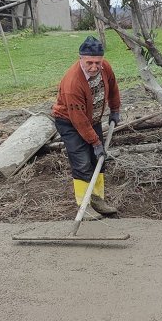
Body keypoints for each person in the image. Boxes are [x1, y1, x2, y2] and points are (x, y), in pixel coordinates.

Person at [52, 36, 121, 221]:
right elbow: (78, 120)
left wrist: (115, 109)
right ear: (80, 58)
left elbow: (113, 88)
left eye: (97, 62)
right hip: (69, 122)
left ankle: (98, 200)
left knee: (98, 158)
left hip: (92, 118)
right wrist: (95, 142)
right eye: (89, 62)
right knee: (82, 162)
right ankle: (84, 205)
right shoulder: (72, 83)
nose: (94, 67)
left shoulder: (105, 68)